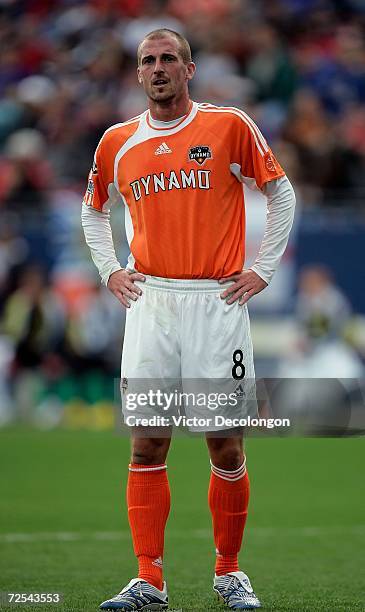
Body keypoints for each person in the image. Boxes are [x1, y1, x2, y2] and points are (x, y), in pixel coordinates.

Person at [82, 28, 295, 611]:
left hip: (216, 302)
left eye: (168, 58)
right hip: (151, 303)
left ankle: (230, 572)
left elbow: (282, 194)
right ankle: (149, 580)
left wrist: (263, 269)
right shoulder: (118, 142)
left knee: (224, 444)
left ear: (189, 68)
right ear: (137, 74)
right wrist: (109, 270)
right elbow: (93, 208)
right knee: (148, 442)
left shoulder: (228, 125)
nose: (157, 68)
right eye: (147, 61)